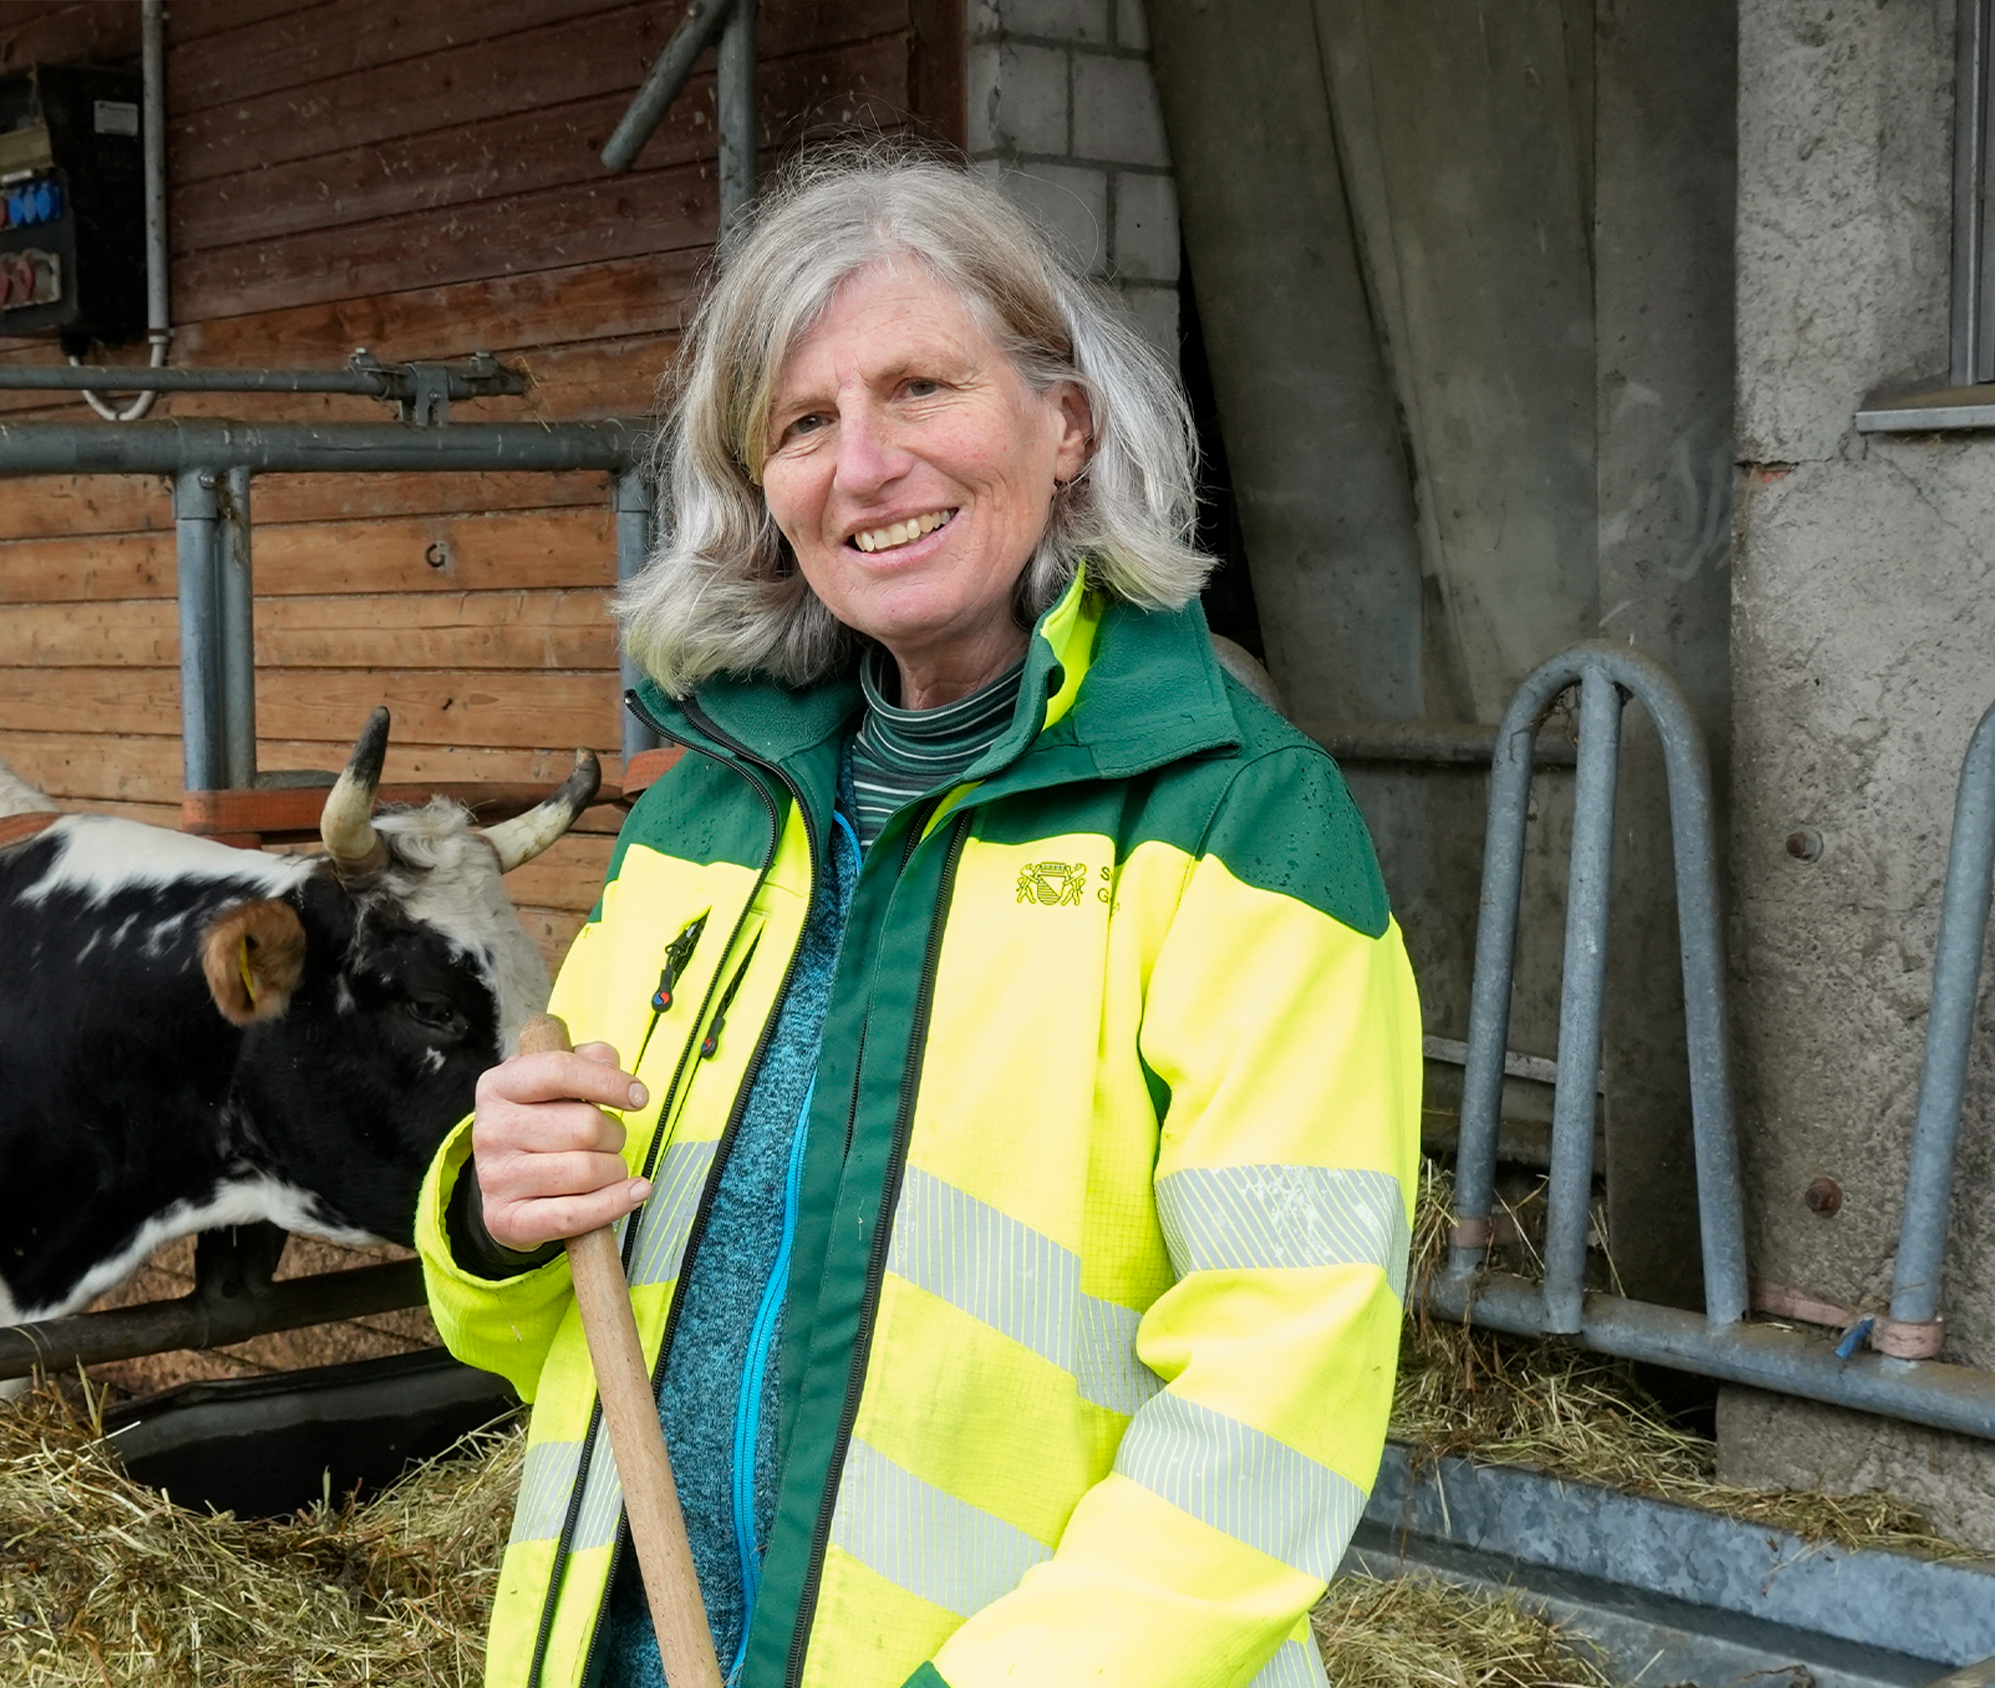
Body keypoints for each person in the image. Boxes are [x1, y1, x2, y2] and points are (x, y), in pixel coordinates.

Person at [412, 151, 1421, 1688]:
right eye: (804, 424)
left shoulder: (1233, 822)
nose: (864, 466)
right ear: (764, 490)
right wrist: (494, 1220)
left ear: (1065, 423)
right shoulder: (703, 814)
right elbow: (551, 1325)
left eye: (921, 390)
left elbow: (1276, 1408)